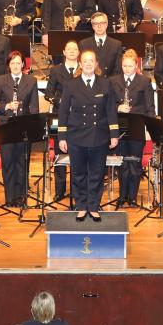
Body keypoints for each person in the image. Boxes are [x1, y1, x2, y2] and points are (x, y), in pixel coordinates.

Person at [58, 50, 119, 221]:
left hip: (98, 136)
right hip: (76, 136)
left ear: (96, 63)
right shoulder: (70, 85)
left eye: (91, 61)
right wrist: (62, 137)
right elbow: (63, 113)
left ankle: (93, 206)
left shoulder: (105, 84)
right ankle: (81, 205)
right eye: (85, 61)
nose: (88, 64)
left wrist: (114, 134)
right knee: (78, 173)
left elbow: (111, 112)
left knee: (97, 173)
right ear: (80, 63)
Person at [0, 51, 38, 207]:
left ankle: (22, 197)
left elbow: (34, 107)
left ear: (23, 64)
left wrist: (31, 124)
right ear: (8, 65)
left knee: (23, 163)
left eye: (18, 63)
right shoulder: (1, 80)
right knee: (8, 163)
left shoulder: (31, 81)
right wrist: (6, 106)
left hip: (23, 127)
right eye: (12, 63)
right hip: (5, 127)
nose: (16, 66)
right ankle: (10, 198)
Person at [110, 49, 155, 208]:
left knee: (135, 163)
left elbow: (150, 106)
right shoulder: (113, 81)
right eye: (124, 66)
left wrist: (150, 128)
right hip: (120, 125)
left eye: (130, 66)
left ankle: (133, 196)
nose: (127, 69)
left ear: (136, 65)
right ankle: (122, 196)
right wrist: (118, 107)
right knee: (122, 162)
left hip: (137, 125)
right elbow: (108, 105)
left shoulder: (144, 81)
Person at [45, 40, 80, 202]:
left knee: (76, 153)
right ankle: (60, 190)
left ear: (78, 52)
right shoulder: (56, 70)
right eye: (69, 49)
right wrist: (59, 102)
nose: (72, 51)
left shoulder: (83, 68)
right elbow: (48, 93)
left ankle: (76, 190)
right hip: (59, 116)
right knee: (59, 153)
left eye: (75, 49)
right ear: (64, 52)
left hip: (79, 118)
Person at [80, 12, 123, 77]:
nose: (99, 26)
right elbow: (81, 68)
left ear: (107, 24)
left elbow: (118, 70)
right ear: (92, 26)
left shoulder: (116, 44)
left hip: (109, 84)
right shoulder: (83, 44)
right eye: (96, 23)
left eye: (102, 23)